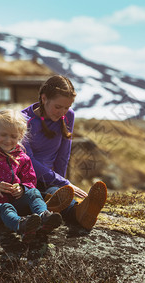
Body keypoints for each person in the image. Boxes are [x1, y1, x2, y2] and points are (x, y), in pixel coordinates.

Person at [0, 109, 74, 242]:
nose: (7, 140)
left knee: (34, 192)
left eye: (13, 136)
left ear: (21, 135)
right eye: (3, 134)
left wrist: (22, 188)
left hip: (14, 200)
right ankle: (21, 225)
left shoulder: (23, 157)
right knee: (5, 208)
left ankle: (44, 216)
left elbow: (30, 181)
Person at [21, 75, 107, 230]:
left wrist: (63, 187)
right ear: (44, 98)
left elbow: (63, 154)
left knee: (57, 194)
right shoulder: (23, 120)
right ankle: (73, 210)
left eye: (66, 107)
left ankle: (81, 212)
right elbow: (28, 160)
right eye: (58, 107)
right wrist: (64, 183)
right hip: (26, 178)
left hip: (50, 179)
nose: (62, 112)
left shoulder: (68, 116)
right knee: (41, 195)